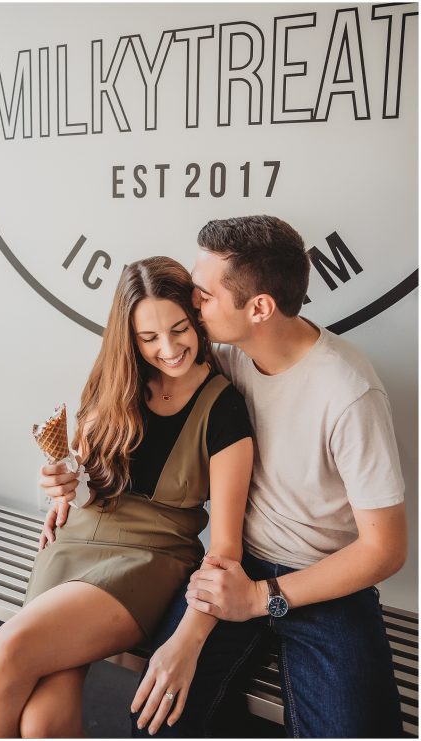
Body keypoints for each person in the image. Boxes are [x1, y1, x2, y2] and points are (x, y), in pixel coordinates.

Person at [133, 216, 407, 738]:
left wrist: (261, 599)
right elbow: (130, 394)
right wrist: (67, 478)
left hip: (325, 583)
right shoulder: (225, 356)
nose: (193, 304)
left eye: (204, 295)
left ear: (259, 308)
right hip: (234, 560)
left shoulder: (349, 393)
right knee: (155, 718)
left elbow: (386, 550)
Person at [0, 257, 254, 738]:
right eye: (149, 339)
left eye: (180, 329)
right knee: (43, 719)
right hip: (74, 542)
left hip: (148, 561)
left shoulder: (223, 406)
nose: (168, 348)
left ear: (196, 317)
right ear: (130, 338)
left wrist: (191, 633)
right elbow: (84, 475)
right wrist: (62, 490)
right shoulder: (117, 381)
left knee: (8, 649)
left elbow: (226, 549)